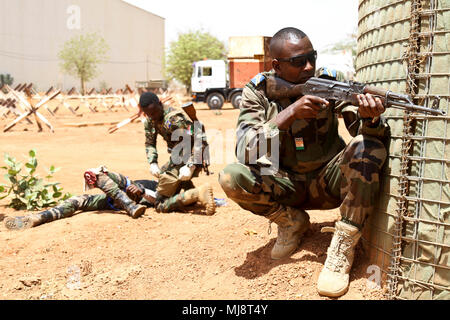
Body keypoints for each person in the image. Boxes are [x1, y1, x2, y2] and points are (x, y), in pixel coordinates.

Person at [218, 27, 389, 297]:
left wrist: (371, 119)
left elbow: (361, 132)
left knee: (366, 147)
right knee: (231, 177)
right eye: (299, 62)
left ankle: (343, 244)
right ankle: (290, 222)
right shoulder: (259, 91)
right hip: (286, 184)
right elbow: (245, 150)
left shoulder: (330, 81)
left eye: (313, 57)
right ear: (276, 65)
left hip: (329, 183)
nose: (309, 67)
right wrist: (289, 114)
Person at [4, 165, 213, 230]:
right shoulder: (155, 190)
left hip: (137, 197)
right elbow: (101, 176)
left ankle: (196, 194)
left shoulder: (161, 194)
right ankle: (39, 217)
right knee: (80, 199)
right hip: (124, 198)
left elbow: (152, 197)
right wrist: (134, 190)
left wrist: (138, 193)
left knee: (161, 204)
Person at [139, 91, 215, 215]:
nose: (153, 116)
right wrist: (152, 162)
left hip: (195, 153)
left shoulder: (174, 120)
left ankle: (198, 193)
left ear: (160, 103)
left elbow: (198, 141)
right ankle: (189, 191)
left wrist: (191, 165)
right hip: (178, 156)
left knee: (160, 203)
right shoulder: (150, 120)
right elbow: (150, 143)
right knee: (163, 178)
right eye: (148, 114)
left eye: (154, 112)